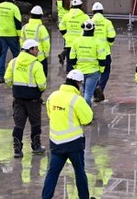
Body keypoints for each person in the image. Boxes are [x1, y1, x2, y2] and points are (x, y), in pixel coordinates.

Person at [42, 69, 94, 199]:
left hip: (56, 143)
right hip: (73, 144)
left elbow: (50, 114)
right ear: (77, 82)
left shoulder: (52, 97)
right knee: (79, 173)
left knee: (52, 174)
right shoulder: (76, 99)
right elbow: (87, 119)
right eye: (81, 83)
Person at [5, 39, 47, 158]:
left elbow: (7, 79)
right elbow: (42, 84)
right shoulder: (36, 65)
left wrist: (15, 88)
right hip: (33, 100)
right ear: (31, 50)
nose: (38, 51)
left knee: (19, 124)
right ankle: (36, 146)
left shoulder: (13, 62)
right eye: (36, 49)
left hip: (18, 99)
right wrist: (38, 91)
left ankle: (17, 150)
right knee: (35, 124)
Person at [67, 20, 108, 106]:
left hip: (80, 72)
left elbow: (72, 58)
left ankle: (83, 112)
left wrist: (76, 68)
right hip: (93, 72)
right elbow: (102, 59)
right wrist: (100, 70)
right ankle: (87, 113)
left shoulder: (76, 41)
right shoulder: (98, 43)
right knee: (88, 95)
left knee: (84, 92)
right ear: (93, 30)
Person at [0, 0, 23, 83]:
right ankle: (15, 74)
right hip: (12, 35)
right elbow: (18, 23)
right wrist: (20, 36)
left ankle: (0, 76)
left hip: (0, 34)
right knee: (16, 55)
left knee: (2, 55)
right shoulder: (15, 8)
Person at [90, 2, 116, 103]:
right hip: (104, 52)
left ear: (93, 11)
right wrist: (109, 44)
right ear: (102, 11)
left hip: (92, 52)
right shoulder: (107, 22)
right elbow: (111, 37)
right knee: (105, 72)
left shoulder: (90, 22)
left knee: (94, 73)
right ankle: (100, 87)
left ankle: (95, 94)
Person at [21, 5, 50, 80]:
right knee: (41, 77)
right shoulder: (41, 28)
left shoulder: (25, 27)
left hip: (27, 56)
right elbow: (46, 43)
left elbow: (21, 41)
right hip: (40, 57)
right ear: (41, 16)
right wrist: (46, 55)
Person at [59, 0, 89, 71]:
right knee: (79, 63)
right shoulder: (85, 17)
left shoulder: (66, 16)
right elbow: (89, 29)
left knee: (70, 62)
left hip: (69, 43)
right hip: (80, 44)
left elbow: (61, 27)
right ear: (81, 6)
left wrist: (66, 36)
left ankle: (69, 79)